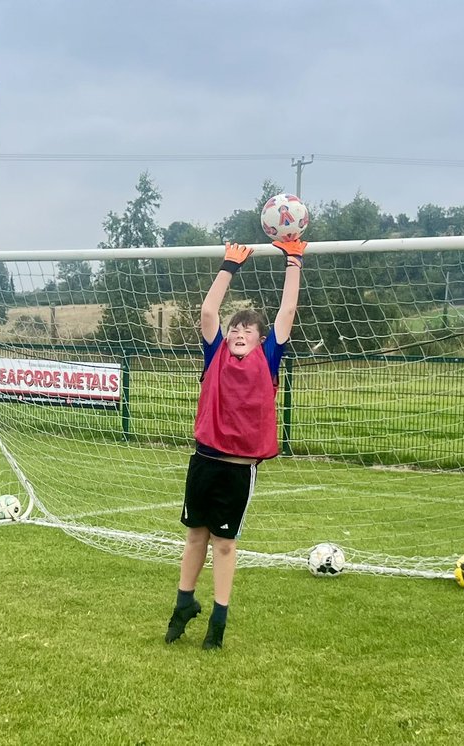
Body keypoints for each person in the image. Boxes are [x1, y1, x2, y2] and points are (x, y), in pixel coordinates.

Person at [165, 236, 305, 650]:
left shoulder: (270, 358)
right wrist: (230, 265)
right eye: (235, 329)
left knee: (224, 545)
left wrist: (293, 261)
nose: (240, 332)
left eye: (248, 329)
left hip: (238, 470)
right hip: (205, 461)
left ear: (262, 338)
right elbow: (209, 311)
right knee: (194, 535)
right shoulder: (215, 355)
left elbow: (288, 310)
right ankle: (183, 605)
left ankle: (218, 622)